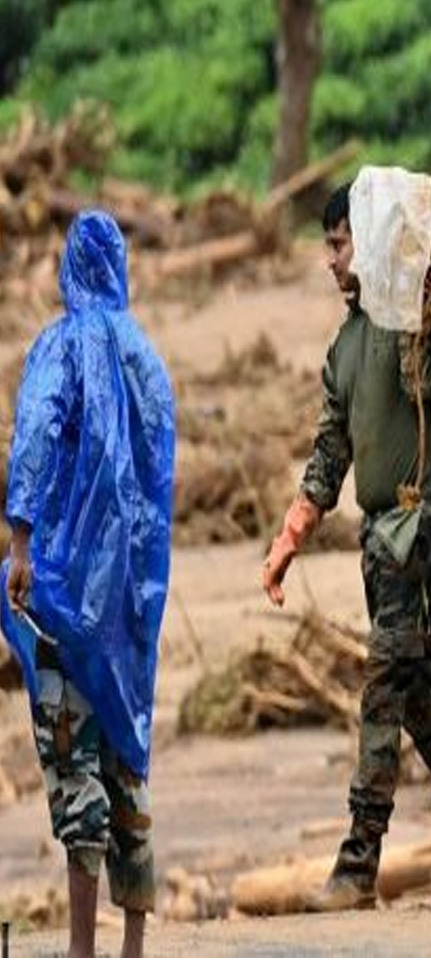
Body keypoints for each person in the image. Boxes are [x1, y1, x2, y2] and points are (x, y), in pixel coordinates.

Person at [262, 183, 431, 912]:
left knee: (381, 689)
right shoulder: (342, 351)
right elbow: (328, 458)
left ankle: (357, 865)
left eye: (338, 243)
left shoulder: (408, 319)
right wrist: (287, 541)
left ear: (363, 243)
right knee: (423, 703)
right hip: (380, 544)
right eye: (327, 245)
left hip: (418, 538)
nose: (328, 259)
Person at [1, 211, 175, 958]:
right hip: (132, 596)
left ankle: (81, 948)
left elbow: (36, 435)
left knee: (73, 763)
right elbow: (160, 474)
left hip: (66, 590)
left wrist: (20, 543)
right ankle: (131, 943)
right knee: (126, 760)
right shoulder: (147, 359)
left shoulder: (61, 347)